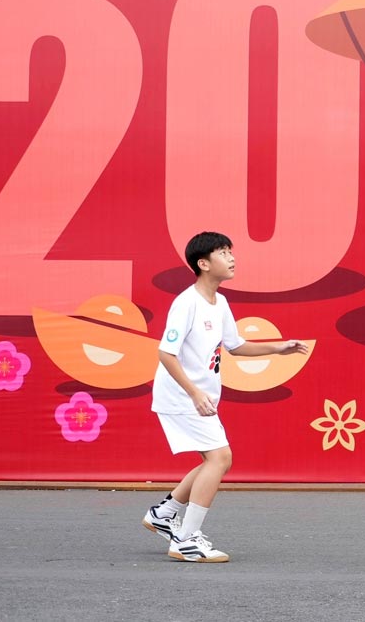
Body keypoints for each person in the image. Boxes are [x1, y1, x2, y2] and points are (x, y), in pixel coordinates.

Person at [142, 231, 309, 563]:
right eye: (222, 252)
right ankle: (186, 539)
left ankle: (165, 514)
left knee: (212, 460)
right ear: (203, 264)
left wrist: (279, 346)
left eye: (231, 251)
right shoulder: (186, 303)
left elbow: (235, 346)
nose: (231, 257)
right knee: (220, 459)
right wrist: (193, 393)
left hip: (198, 396)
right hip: (182, 395)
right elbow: (166, 354)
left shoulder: (219, 302)